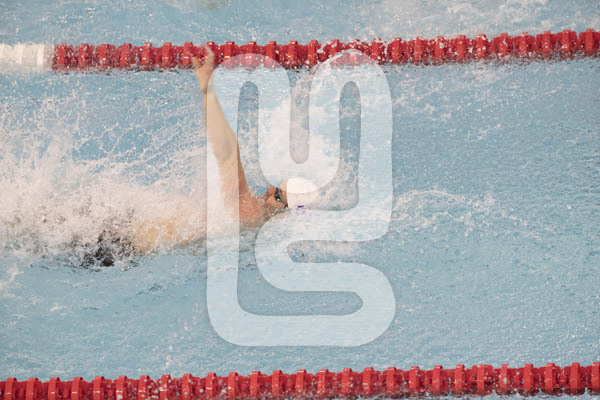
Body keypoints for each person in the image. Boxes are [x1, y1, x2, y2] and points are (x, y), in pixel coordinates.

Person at [95, 48, 317, 265]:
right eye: (275, 185)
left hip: (118, 236)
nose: (268, 189)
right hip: (128, 249)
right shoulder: (255, 234)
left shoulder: (248, 212)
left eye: (276, 194)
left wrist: (207, 88)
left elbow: (227, 153)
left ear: (285, 213)